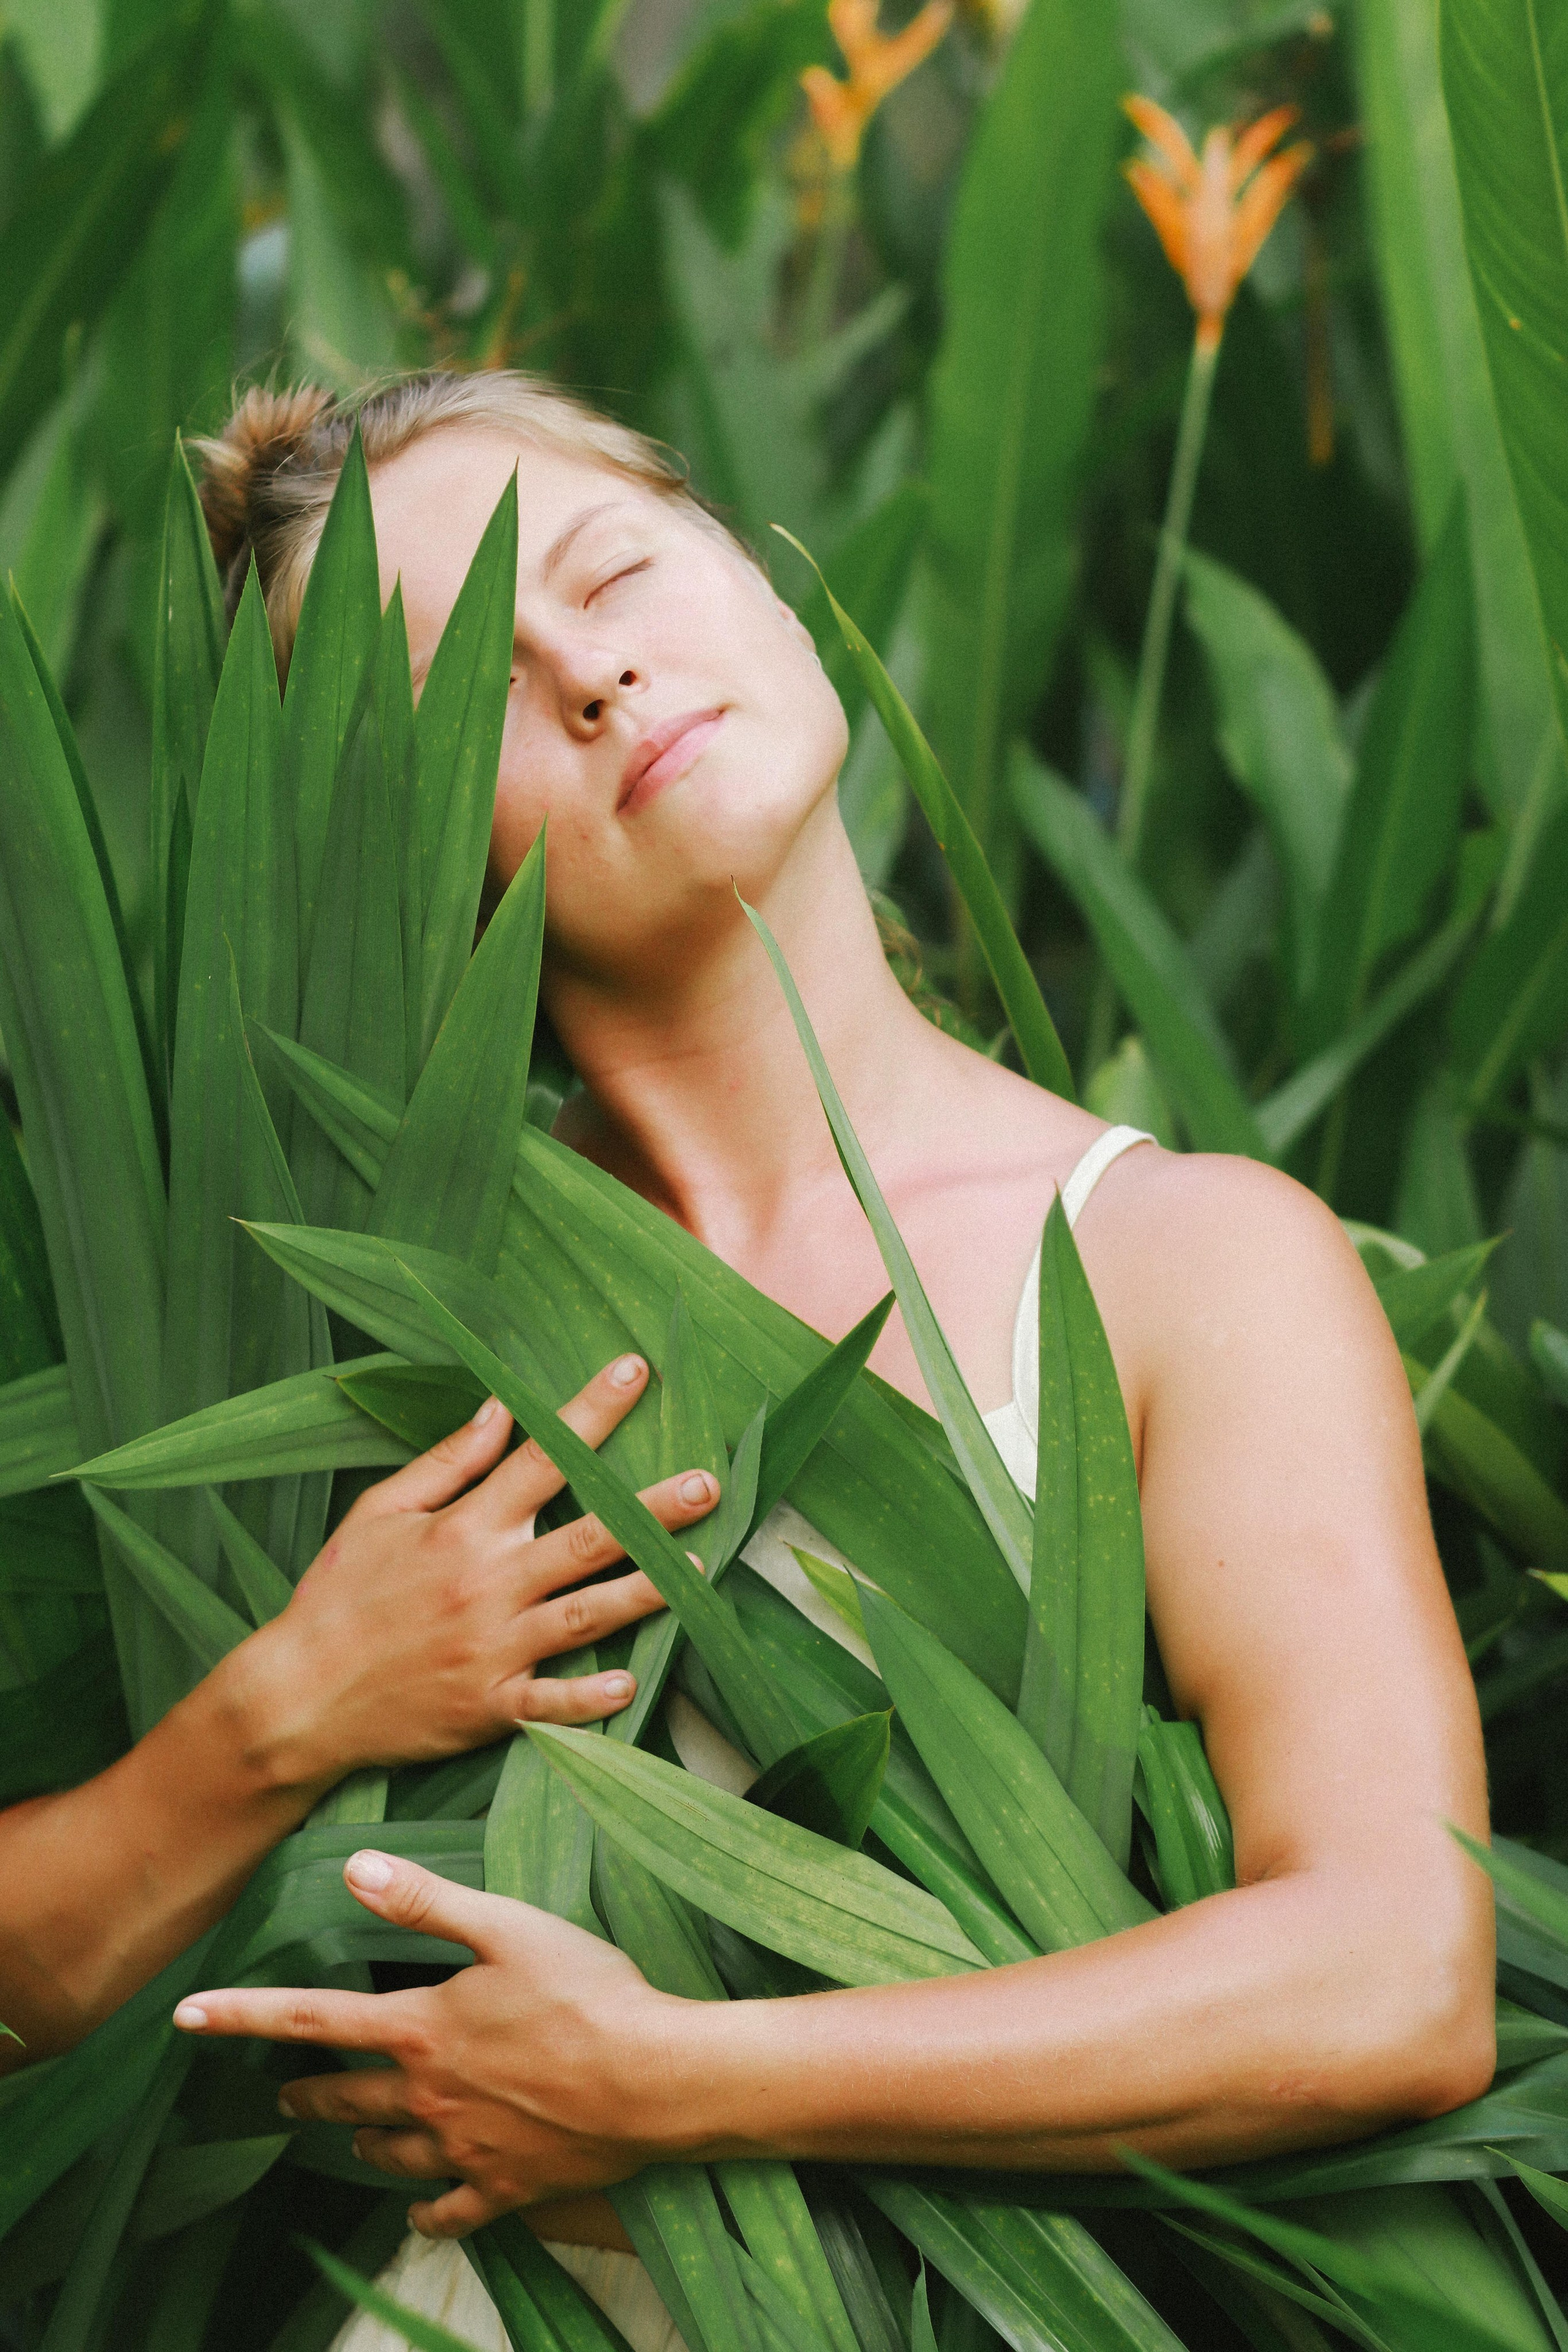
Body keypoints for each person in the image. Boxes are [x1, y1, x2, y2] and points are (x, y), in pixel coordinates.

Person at [0, 374, 1493, 2352]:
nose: (590, 673)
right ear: (396, 853)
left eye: (614, 571)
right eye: (471, 688)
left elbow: (1396, 1974)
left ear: (762, 584)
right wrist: (283, 1707)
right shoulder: (361, 1324)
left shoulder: (1184, 1265)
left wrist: (670, 2084)